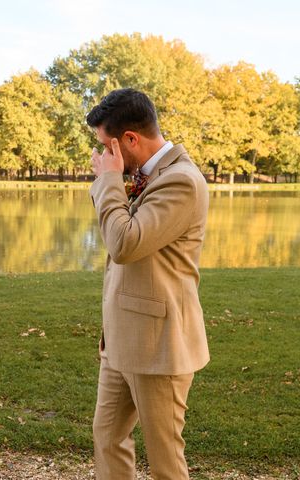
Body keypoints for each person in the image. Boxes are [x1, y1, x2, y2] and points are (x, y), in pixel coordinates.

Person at [87, 88, 210, 480]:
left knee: (164, 460)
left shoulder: (181, 181)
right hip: (122, 341)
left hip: (159, 344)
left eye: (107, 148)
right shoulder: (146, 176)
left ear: (130, 140)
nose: (104, 158)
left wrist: (107, 181)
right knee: (107, 437)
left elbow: (125, 244)